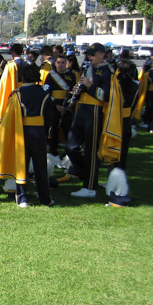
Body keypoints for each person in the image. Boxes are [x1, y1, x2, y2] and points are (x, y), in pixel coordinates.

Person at [0, 63, 57, 207]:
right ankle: (45, 198)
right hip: (39, 132)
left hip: (22, 133)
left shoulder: (16, 94)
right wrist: (45, 131)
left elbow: (10, 117)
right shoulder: (45, 93)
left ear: (23, 77)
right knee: (40, 167)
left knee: (21, 166)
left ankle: (22, 197)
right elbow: (50, 117)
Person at [65, 43, 114, 198]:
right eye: (88, 55)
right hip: (83, 108)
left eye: (92, 55)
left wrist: (89, 85)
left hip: (95, 110)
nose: (89, 57)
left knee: (91, 150)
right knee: (71, 146)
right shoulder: (87, 67)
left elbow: (106, 95)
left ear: (101, 54)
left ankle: (90, 186)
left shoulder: (107, 70)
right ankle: (86, 174)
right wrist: (78, 90)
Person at [45, 53, 77, 156]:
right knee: (54, 129)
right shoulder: (50, 75)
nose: (61, 65)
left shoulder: (71, 75)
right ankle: (53, 152)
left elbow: (73, 92)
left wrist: (66, 106)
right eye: (58, 62)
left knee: (68, 130)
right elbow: (47, 91)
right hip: (55, 107)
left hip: (67, 107)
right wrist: (56, 105)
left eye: (63, 62)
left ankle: (69, 152)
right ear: (55, 63)